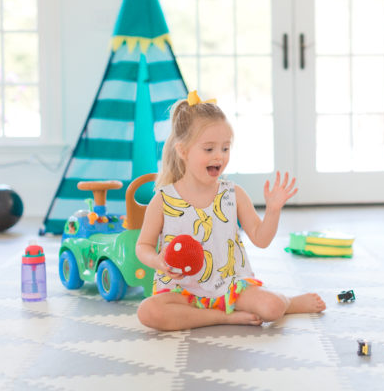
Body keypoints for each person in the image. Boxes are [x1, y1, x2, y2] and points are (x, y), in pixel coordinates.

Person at [136, 90, 326, 331]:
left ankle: (288, 302)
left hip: (229, 286)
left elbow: (261, 239)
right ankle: (224, 317)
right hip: (180, 291)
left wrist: (273, 211)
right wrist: (158, 261)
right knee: (148, 311)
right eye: (209, 149)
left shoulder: (232, 194)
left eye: (225, 148)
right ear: (183, 151)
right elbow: (143, 246)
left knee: (272, 308)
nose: (220, 156)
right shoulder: (163, 200)